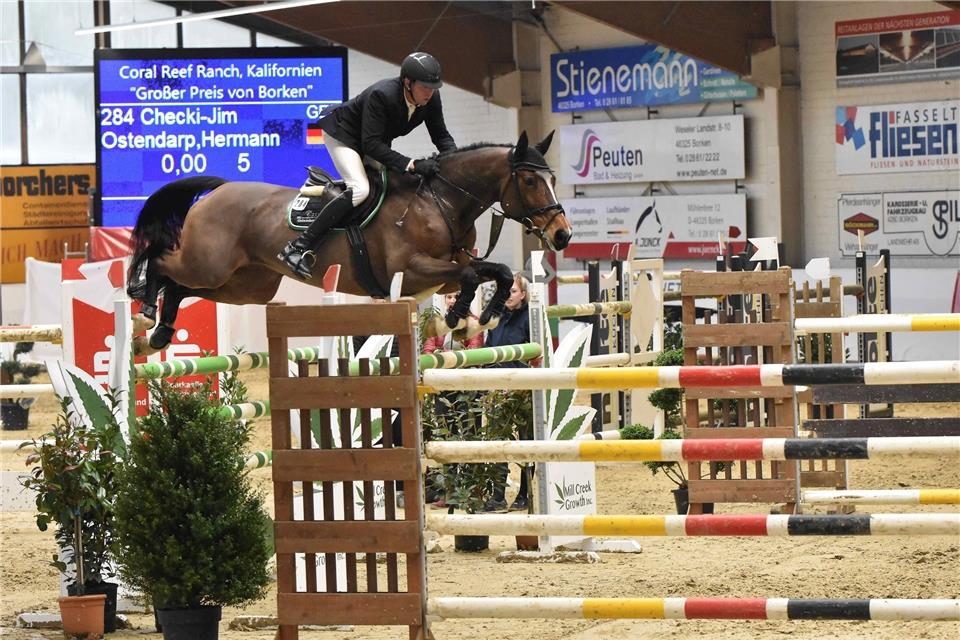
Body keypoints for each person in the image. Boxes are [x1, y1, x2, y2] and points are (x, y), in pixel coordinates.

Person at [279, 52, 458, 279]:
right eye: (425, 87)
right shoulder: (382, 95)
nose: (430, 93)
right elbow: (371, 145)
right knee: (360, 189)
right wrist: (411, 164)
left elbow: (441, 135)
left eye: (433, 88)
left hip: (372, 141)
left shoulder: (430, 98)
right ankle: (298, 247)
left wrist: (454, 162)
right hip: (343, 136)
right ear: (407, 82)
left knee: (396, 185)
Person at [483, 274, 536, 512]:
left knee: (525, 442)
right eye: (504, 291)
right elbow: (487, 351)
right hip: (496, 388)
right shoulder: (496, 317)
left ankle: (525, 493)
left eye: (512, 291)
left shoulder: (530, 318)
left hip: (522, 390)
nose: (507, 295)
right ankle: (497, 496)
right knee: (496, 443)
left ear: (523, 294)